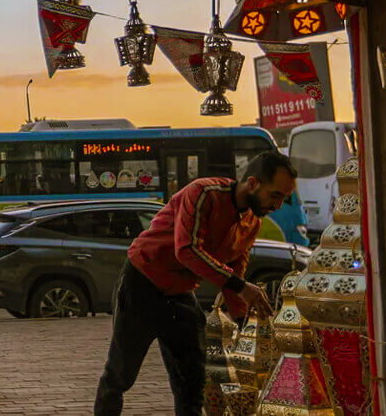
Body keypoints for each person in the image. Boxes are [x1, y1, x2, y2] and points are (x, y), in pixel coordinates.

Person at [93, 151, 298, 416]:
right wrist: (241, 287)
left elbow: (235, 272)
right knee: (120, 374)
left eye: (283, 199)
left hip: (180, 292)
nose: (278, 205)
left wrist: (245, 323)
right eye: (276, 196)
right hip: (141, 282)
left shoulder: (252, 223)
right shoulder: (204, 193)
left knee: (192, 381)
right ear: (253, 183)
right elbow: (187, 250)